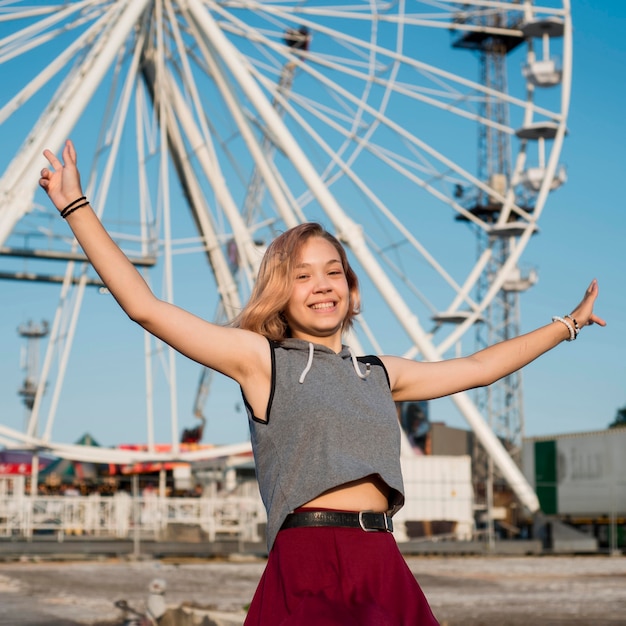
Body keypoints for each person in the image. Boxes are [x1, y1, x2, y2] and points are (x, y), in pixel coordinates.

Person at [39, 139, 605, 625]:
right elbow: (146, 308)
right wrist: (76, 207)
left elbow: (479, 369)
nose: (322, 285)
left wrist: (566, 325)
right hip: (309, 558)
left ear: (352, 289)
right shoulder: (263, 361)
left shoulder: (378, 373)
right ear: (280, 293)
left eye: (333, 272)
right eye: (302, 275)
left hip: (381, 557)